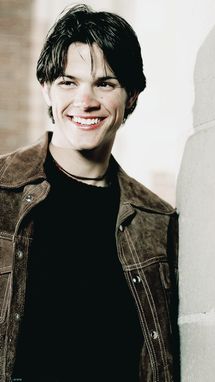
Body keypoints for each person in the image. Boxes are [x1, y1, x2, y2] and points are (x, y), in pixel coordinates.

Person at [0, 4, 179, 382]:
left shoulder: (157, 221)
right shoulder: (2, 192)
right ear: (47, 89)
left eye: (105, 83)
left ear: (131, 96)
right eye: (68, 81)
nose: (86, 101)